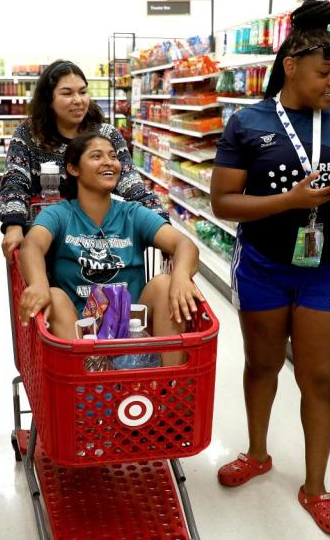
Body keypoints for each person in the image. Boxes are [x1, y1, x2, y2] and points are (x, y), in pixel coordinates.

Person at [210, 0, 330, 536]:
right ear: (291, 66)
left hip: (326, 266)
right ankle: (257, 454)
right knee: (261, 366)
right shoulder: (248, 122)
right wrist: (291, 200)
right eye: (324, 72)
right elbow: (223, 204)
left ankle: (316, 486)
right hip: (262, 263)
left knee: (321, 378)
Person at [17, 132, 203, 366]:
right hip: (81, 331)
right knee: (53, 296)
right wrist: (38, 283)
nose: (109, 162)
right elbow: (31, 245)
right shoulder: (60, 214)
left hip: (134, 329)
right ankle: (84, 387)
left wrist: (181, 276)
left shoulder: (131, 213)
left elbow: (184, 245)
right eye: (96, 156)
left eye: (113, 156)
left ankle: (168, 383)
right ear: (74, 169)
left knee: (166, 284)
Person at [0, 60, 166, 261]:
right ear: (49, 99)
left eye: (83, 92)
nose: (78, 100)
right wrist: (14, 224)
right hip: (45, 237)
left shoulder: (106, 134)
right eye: (67, 93)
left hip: (96, 238)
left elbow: (131, 183)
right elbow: (15, 180)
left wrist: (161, 223)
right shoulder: (29, 134)